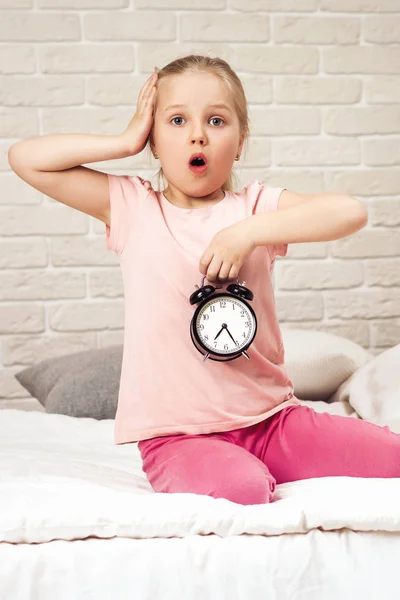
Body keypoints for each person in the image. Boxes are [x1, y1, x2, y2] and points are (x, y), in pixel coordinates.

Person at [8, 54, 400, 506]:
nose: (197, 133)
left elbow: (350, 211)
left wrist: (246, 233)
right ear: (153, 141)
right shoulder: (133, 208)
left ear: (240, 141)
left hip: (272, 422)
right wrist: (123, 140)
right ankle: (232, 468)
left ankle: (267, 460)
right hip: (178, 437)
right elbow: (26, 159)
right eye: (176, 120)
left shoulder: (254, 210)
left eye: (216, 120)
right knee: (243, 489)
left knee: (392, 457)